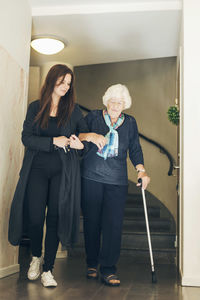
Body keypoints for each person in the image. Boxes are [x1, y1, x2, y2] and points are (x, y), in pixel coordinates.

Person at [8, 64, 88, 287]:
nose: (65, 87)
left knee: (54, 218)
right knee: (35, 217)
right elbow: (27, 138)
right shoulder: (36, 107)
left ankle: (48, 269)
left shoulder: (74, 111)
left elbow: (82, 138)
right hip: (36, 170)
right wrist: (53, 141)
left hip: (62, 172)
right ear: (52, 80)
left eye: (69, 84)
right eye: (62, 82)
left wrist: (80, 145)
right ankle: (36, 256)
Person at [79, 84, 150, 287]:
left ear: (125, 105)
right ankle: (91, 263)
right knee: (92, 222)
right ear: (106, 101)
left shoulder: (130, 123)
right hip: (91, 177)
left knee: (113, 225)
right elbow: (78, 136)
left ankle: (108, 269)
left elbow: (135, 148)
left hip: (117, 181)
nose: (116, 105)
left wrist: (141, 170)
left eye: (120, 103)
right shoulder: (93, 117)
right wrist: (91, 136)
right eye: (113, 101)